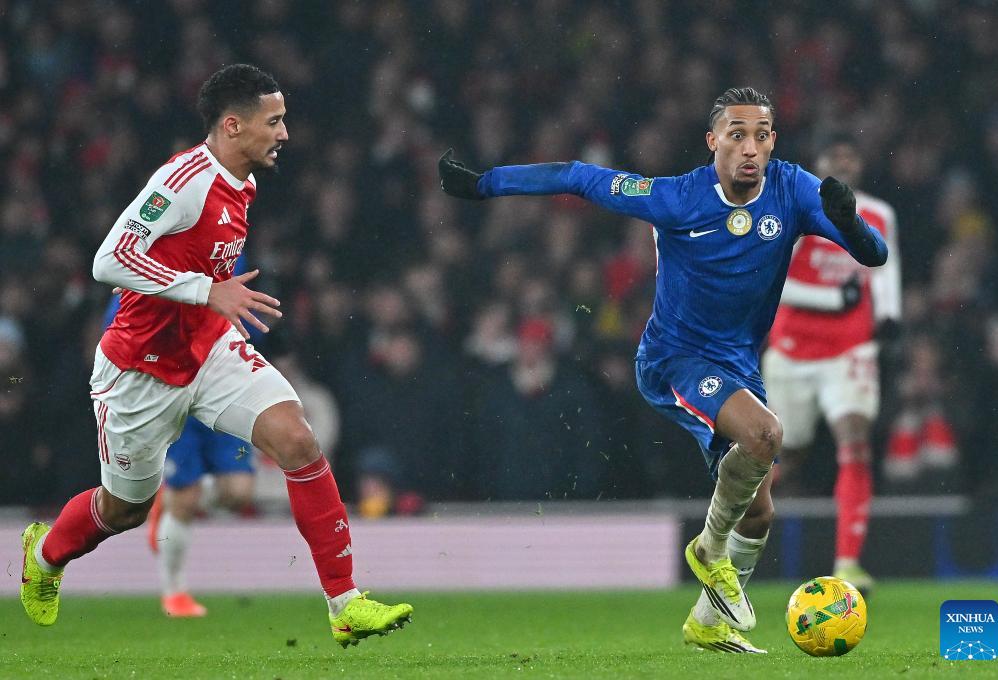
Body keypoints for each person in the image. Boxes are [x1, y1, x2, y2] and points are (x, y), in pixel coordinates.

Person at [438, 87, 888, 654]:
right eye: (737, 135)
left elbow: (874, 255)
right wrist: (484, 184)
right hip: (673, 360)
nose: (750, 148)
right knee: (766, 435)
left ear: (773, 140)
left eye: (761, 135)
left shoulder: (791, 188)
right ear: (713, 141)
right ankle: (707, 550)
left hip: (739, 368)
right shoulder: (677, 198)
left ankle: (707, 621)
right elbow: (579, 176)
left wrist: (849, 223)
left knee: (758, 514)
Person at [19, 64, 412, 647]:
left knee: (298, 440)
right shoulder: (183, 181)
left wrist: (208, 300)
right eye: (273, 122)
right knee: (125, 508)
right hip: (139, 371)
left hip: (208, 349)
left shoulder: (242, 182)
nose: (284, 133)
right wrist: (206, 289)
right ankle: (45, 557)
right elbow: (109, 259)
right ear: (233, 126)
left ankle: (345, 603)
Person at [762, 136, 902, 595]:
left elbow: (883, 268)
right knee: (786, 455)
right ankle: (721, 536)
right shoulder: (796, 212)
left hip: (850, 350)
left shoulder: (878, 213)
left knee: (855, 441)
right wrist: (831, 298)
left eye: (850, 156)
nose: (844, 163)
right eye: (834, 156)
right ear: (818, 163)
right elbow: (771, 281)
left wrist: (889, 315)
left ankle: (848, 563)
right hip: (791, 351)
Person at [103, 255, 260, 619]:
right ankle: (174, 593)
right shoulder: (153, 256)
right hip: (170, 391)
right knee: (186, 499)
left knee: (239, 492)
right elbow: (116, 327)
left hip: (221, 382)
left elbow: (241, 308)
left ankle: (170, 501)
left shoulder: (231, 252)